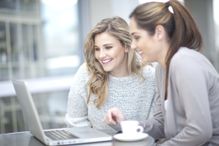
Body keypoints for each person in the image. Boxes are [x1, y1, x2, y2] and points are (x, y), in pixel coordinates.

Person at [105, 0, 219, 145]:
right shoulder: (161, 68)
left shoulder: (185, 63)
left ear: (159, 32)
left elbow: (199, 131)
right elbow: (161, 124)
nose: (133, 46)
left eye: (137, 37)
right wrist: (125, 125)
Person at [65, 16, 156, 135]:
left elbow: (155, 129)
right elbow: (75, 122)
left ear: (126, 46)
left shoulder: (150, 76)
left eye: (108, 47)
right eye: (97, 49)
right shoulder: (86, 72)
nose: (101, 55)